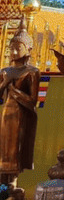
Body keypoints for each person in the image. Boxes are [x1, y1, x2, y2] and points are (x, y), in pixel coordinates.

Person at [0, 23, 41, 188]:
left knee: (15, 150)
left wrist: (13, 90)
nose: (14, 52)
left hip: (21, 115)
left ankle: (12, 184)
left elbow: (32, 100)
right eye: (12, 48)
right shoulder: (5, 71)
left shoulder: (31, 72)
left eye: (18, 48)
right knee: (3, 149)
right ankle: (3, 183)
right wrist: (5, 83)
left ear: (28, 50)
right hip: (6, 115)